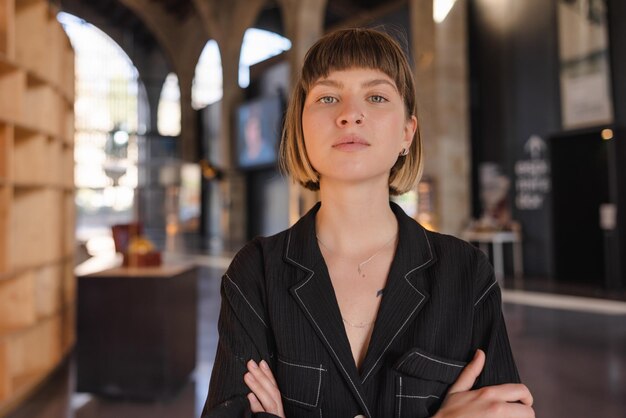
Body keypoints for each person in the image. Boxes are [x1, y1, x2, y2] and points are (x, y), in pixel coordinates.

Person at [201, 28, 534, 418]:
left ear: (407, 134)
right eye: (328, 97)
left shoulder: (465, 274)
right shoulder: (256, 273)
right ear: (301, 128)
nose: (350, 114)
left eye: (376, 97)